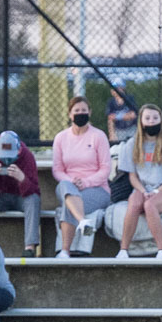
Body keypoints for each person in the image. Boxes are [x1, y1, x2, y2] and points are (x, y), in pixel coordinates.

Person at [116, 105, 162, 260]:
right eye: (147, 118)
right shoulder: (132, 144)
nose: (151, 121)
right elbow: (132, 177)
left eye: (155, 118)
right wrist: (143, 191)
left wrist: (157, 191)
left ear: (160, 120)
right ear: (141, 121)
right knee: (134, 204)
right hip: (142, 188)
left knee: (149, 205)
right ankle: (123, 251)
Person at [51, 96, 111, 259]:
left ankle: (64, 251)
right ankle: (82, 221)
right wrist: (72, 182)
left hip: (97, 190)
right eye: (76, 111)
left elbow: (105, 169)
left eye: (84, 110)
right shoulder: (61, 138)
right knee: (65, 187)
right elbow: (57, 169)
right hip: (69, 185)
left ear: (90, 113)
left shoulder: (98, 136)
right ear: (70, 114)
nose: (80, 114)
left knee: (69, 203)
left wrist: (86, 182)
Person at [0, 130, 41, 258]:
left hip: (22, 198)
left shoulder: (27, 156)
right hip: (1, 197)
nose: (6, 160)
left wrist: (22, 179)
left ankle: (30, 247)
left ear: (18, 150)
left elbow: (34, 189)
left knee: (33, 200)